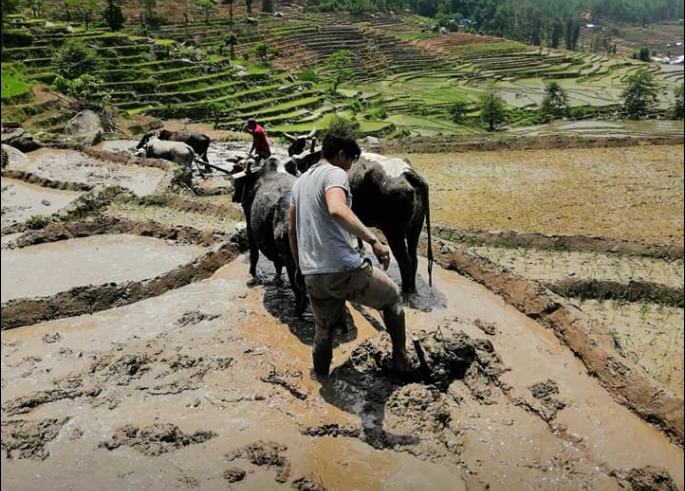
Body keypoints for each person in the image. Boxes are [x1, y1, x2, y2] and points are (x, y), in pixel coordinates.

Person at [288, 131, 411, 376]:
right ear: (342, 154)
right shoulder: (335, 174)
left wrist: (300, 267)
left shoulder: (300, 182)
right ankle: (401, 360)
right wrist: (374, 240)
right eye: (350, 161)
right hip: (342, 270)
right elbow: (336, 209)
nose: (349, 168)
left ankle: (321, 379)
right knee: (393, 299)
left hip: (313, 274)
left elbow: (292, 229)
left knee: (323, 332)